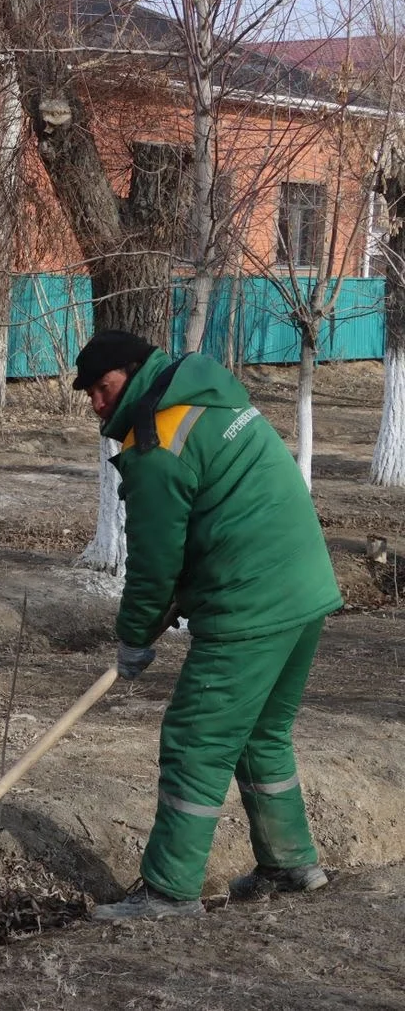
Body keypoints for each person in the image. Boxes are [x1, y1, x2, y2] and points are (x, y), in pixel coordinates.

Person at [72, 330, 342, 921]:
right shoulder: (209, 396)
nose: (95, 402)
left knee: (197, 738)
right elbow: (218, 507)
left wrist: (135, 635)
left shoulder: (157, 439)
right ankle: (290, 864)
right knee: (261, 734)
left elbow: (154, 560)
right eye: (89, 393)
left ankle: (169, 892)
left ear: (134, 370)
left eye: (103, 386)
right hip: (303, 587)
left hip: (252, 599)